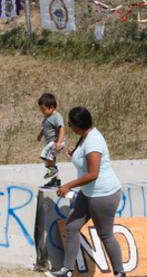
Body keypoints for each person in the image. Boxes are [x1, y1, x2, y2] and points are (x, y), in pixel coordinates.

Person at [47, 107, 125, 277]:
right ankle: (67, 270)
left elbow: (93, 174)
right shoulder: (85, 137)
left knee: (105, 235)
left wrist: (68, 185)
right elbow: (85, 162)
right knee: (72, 227)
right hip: (87, 193)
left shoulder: (93, 141)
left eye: (70, 124)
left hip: (103, 195)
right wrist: (74, 154)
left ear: (78, 125)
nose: (69, 127)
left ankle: (120, 272)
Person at [37, 93, 65, 188]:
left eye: (43, 109)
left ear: (52, 107)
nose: (42, 112)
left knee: (45, 155)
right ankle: (56, 180)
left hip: (56, 142)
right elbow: (45, 128)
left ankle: (53, 171)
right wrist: (40, 135)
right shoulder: (47, 117)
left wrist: (59, 143)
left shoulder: (57, 116)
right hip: (50, 143)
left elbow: (61, 128)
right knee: (50, 161)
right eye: (41, 109)